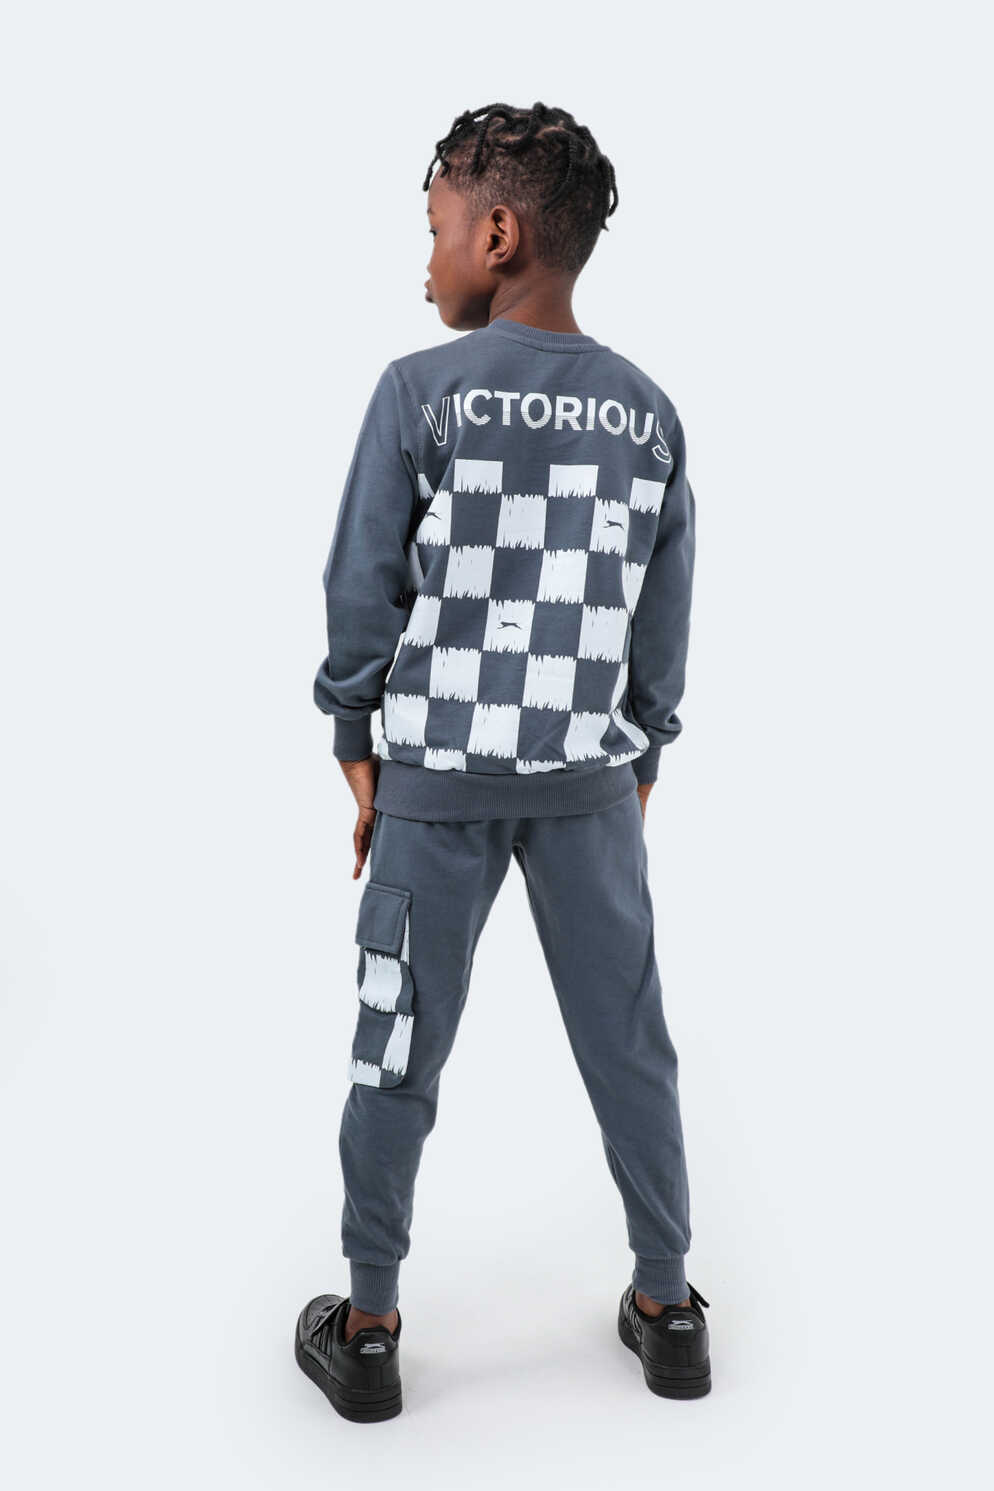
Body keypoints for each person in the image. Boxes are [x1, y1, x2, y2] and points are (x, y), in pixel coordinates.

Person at [293, 101, 709, 1423]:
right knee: (629, 1040)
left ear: (497, 232)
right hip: (590, 789)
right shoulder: (649, 418)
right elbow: (660, 620)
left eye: (433, 230)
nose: (425, 259)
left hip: (435, 784)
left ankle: (368, 1326)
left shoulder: (419, 392)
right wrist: (641, 753)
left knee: (395, 1042)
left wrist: (356, 739)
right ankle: (669, 1308)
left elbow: (362, 586)